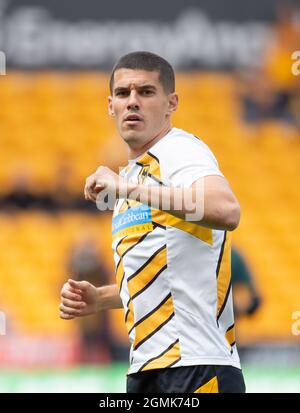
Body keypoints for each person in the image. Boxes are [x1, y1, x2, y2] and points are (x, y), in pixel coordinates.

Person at [59, 51, 245, 393]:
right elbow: (170, 275)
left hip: (196, 368)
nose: (132, 102)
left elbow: (226, 211)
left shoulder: (179, 149)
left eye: (146, 92)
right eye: (123, 93)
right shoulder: (135, 176)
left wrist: (130, 188)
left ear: (171, 102)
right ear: (110, 106)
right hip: (147, 369)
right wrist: (101, 299)